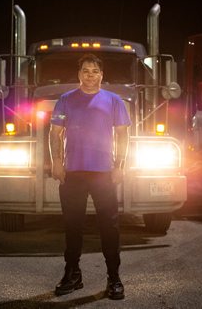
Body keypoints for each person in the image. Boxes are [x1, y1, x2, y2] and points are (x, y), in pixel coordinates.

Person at [49, 53, 130, 300]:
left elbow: (123, 136)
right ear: (79, 74)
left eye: (95, 71)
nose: (90, 75)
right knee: (73, 226)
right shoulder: (65, 100)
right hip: (73, 172)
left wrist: (119, 165)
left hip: (104, 173)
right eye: (85, 71)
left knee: (110, 227)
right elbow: (55, 134)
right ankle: (72, 274)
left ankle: (114, 278)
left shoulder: (114, 101)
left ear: (101, 75)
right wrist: (56, 162)